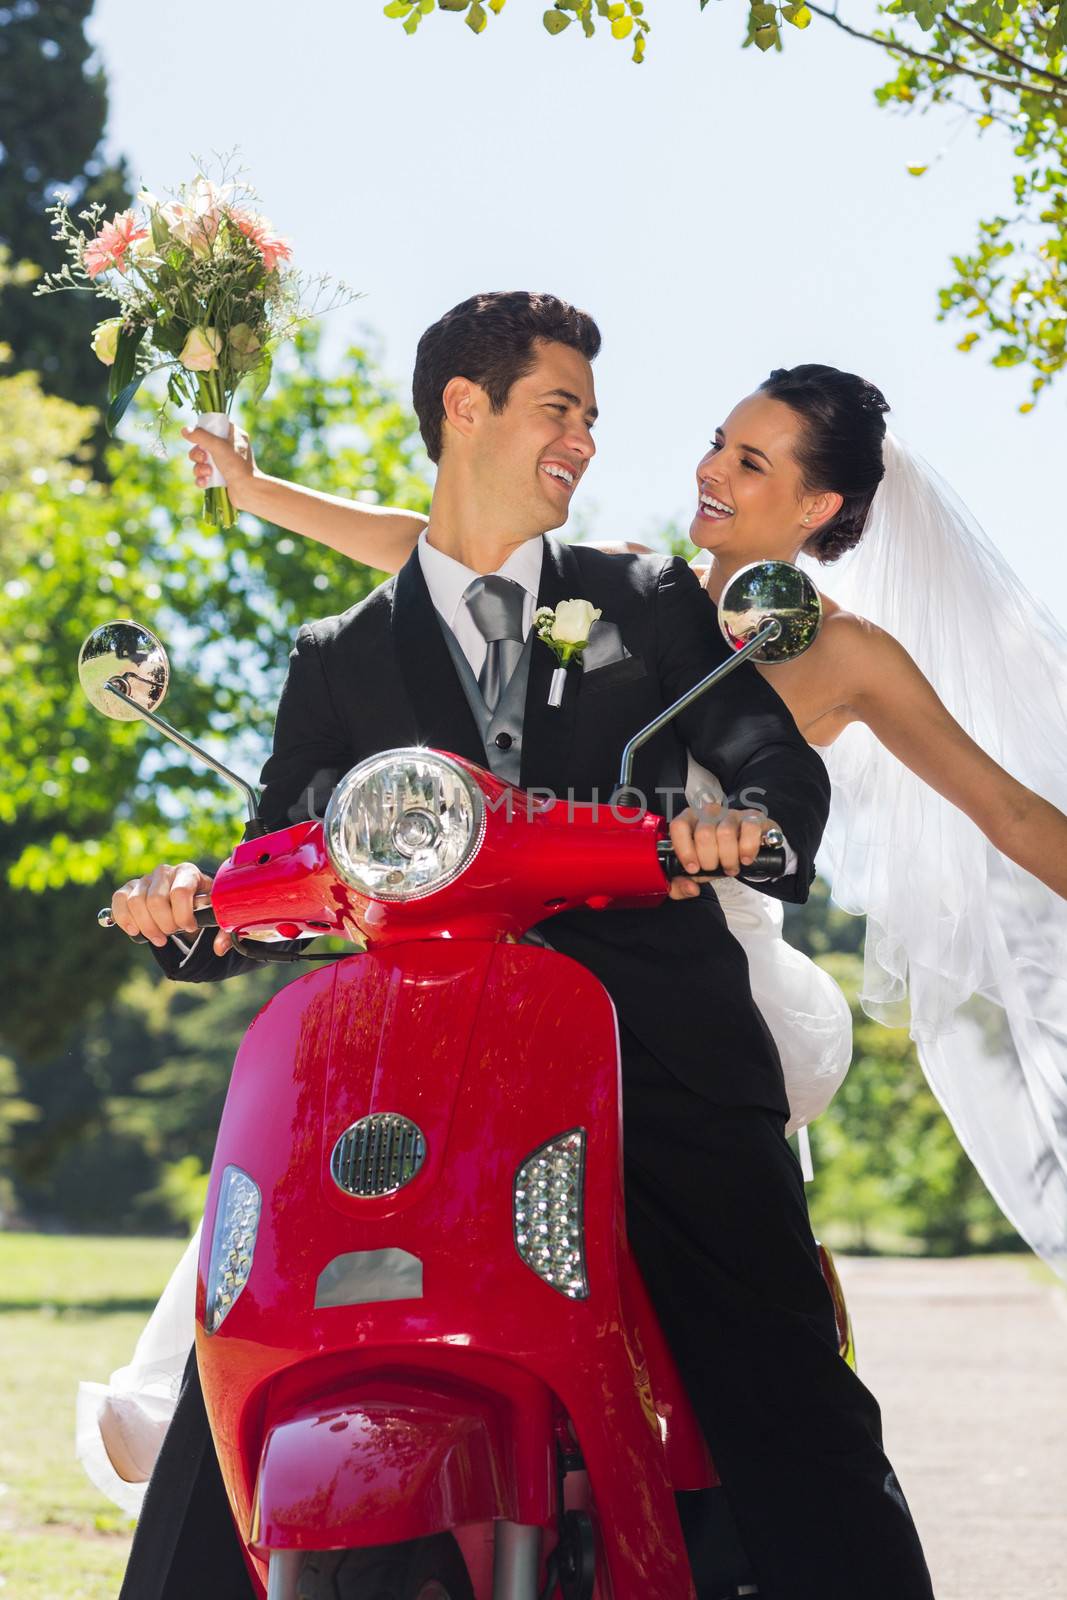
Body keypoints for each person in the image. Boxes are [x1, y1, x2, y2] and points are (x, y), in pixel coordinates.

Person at [102, 293, 933, 1599]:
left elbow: (763, 747)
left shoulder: (649, 600)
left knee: (787, 1398)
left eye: (593, 419)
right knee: (242, 1357)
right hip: (415, 1049)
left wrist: (753, 817)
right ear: (464, 409)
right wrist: (196, 901)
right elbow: (285, 848)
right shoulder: (339, 659)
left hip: (646, 1050)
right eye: (561, 408)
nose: (587, 440)